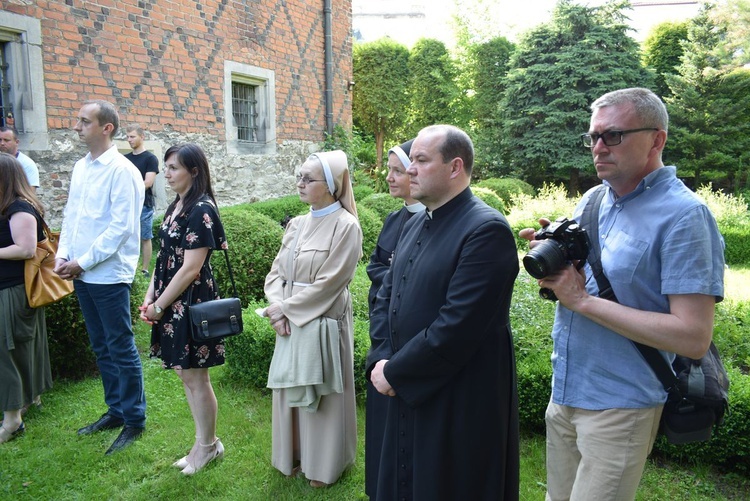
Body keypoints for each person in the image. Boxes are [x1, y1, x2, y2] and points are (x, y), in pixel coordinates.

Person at [519, 88, 725, 501]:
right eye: (593, 136)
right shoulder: (595, 200)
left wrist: (582, 300)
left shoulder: (685, 217)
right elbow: (588, 279)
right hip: (566, 394)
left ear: (656, 139)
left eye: (613, 136)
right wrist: (559, 256)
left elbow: (692, 336)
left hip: (621, 406)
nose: (598, 147)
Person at [367, 124, 520, 500]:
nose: (410, 169)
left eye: (420, 160)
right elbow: (386, 295)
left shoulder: (486, 230)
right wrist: (383, 357)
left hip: (459, 394)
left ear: (454, 168)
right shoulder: (415, 220)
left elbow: (458, 326)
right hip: (404, 379)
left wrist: (397, 371)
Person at [263, 150, 362, 488]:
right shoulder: (297, 223)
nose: (300, 183)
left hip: (320, 319)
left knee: (323, 396)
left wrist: (287, 309)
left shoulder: (346, 226)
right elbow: (277, 273)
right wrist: (278, 307)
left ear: (332, 186)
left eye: (308, 179)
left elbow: (331, 283)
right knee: (290, 386)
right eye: (299, 176)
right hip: (288, 319)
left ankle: (323, 465)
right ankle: (291, 454)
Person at [54, 100, 146, 455]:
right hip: (82, 270)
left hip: (107, 273)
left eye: (84, 121)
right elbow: (74, 215)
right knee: (101, 346)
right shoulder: (81, 167)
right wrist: (64, 255)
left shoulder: (123, 171)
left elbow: (121, 228)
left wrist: (82, 262)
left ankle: (134, 420)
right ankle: (116, 410)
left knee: (120, 347)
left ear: (107, 128)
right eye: (78, 120)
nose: (76, 126)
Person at [140, 143, 227, 475]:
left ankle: (208, 446)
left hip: (191, 303)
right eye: (166, 167)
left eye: (174, 167)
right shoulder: (176, 206)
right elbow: (164, 259)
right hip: (169, 301)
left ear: (194, 171)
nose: (167, 174)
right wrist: (151, 298)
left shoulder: (201, 210)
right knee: (184, 373)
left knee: (195, 376)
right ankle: (203, 442)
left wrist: (160, 305)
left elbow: (191, 268)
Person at [364, 138, 424, 499]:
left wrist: (392, 273)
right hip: (384, 331)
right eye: (389, 170)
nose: (389, 177)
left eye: (397, 170)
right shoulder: (394, 218)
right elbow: (376, 267)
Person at [0, 153, 52, 444]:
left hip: (13, 290)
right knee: (18, 349)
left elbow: (26, 249)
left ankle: (11, 420)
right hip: (9, 289)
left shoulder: (19, 207)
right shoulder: (7, 206)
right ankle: (27, 400)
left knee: (5, 352)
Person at [125, 125, 159, 278]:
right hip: (127, 204)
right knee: (126, 236)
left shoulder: (150, 158)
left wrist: (128, 191)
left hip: (144, 204)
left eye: (132, 136)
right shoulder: (125, 159)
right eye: (127, 137)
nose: (129, 140)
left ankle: (144, 270)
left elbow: (148, 183)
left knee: (145, 237)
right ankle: (129, 266)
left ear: (142, 137)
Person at [0, 126, 40, 192]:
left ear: (17, 142)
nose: (2, 143)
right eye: (0, 140)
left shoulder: (27, 164)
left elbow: (30, 193)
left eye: (6, 140)